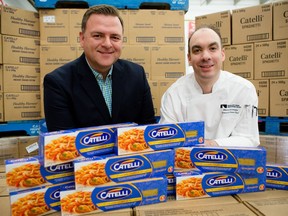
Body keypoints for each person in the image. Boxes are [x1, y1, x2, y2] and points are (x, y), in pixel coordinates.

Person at [44, 5, 156, 132]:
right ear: (82, 39)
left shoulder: (137, 75)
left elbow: (148, 129)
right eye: (98, 35)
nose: (107, 44)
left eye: (114, 37)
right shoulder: (58, 83)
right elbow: (63, 142)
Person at [159, 26, 259, 147]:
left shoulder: (243, 90)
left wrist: (211, 144)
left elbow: (248, 139)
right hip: (186, 163)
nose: (206, 56)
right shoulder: (173, 94)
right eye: (197, 50)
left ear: (222, 54)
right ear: (189, 58)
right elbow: (168, 140)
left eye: (212, 48)